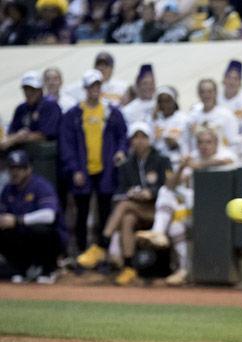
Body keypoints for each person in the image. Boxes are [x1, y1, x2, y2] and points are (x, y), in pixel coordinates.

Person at [136, 127, 238, 285]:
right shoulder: (193, 157)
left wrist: (199, 165)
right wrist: (183, 166)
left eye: (208, 142)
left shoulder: (225, 154)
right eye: (201, 142)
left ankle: (158, 232)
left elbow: (228, 162)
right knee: (174, 221)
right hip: (193, 207)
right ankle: (182, 268)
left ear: (216, 143)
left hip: (217, 208)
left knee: (176, 215)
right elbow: (170, 185)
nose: (204, 146)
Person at [77, 122, 171, 285]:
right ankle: (129, 268)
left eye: (143, 137)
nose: (139, 141)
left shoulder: (162, 160)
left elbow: (169, 186)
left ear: (150, 140)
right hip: (136, 209)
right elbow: (120, 192)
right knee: (127, 217)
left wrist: (151, 192)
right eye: (136, 137)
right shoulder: (127, 165)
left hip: (159, 211)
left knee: (125, 206)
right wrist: (132, 193)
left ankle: (101, 244)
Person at [60, 69, 128, 256]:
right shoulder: (74, 114)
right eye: (91, 86)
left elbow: (123, 136)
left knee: (105, 212)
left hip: (106, 170)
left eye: (97, 85)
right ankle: (82, 252)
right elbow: (67, 145)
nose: (94, 89)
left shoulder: (111, 112)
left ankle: (103, 251)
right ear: (85, 88)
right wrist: (74, 169)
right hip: (83, 169)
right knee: (82, 213)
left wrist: (121, 151)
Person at [0, 150, 66, 284]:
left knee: (41, 229)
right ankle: (21, 269)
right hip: (23, 240)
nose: (15, 172)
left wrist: (18, 220)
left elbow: (49, 215)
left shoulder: (41, 185)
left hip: (50, 241)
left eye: (19, 168)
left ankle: (48, 269)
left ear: (28, 169)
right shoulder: (8, 189)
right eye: (12, 168)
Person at [1, 71, 62, 152]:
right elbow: (12, 131)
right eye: (26, 89)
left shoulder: (49, 106)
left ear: (40, 90)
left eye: (33, 90)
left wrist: (19, 138)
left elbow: (46, 134)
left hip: (45, 155)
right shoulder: (21, 108)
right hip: (23, 152)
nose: (29, 93)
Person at [187, 78, 240, 156]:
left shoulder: (226, 115)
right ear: (198, 94)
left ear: (215, 93)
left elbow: (234, 141)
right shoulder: (192, 117)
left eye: (210, 91)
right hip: (199, 161)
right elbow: (190, 143)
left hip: (221, 161)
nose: (206, 95)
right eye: (203, 92)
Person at [64, 52, 130, 107]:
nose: (101, 68)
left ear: (112, 69)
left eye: (105, 66)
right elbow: (64, 93)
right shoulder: (84, 85)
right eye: (99, 65)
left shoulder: (122, 87)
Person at [220, 60, 242, 162]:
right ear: (224, 79)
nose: (231, 82)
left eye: (235, 79)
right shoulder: (216, 100)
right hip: (222, 154)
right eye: (229, 77)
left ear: (240, 82)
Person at [153, 86, 190, 167]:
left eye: (167, 101)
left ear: (174, 101)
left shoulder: (183, 118)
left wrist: (173, 142)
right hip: (159, 163)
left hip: (178, 162)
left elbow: (185, 142)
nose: (164, 105)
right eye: (161, 101)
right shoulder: (155, 120)